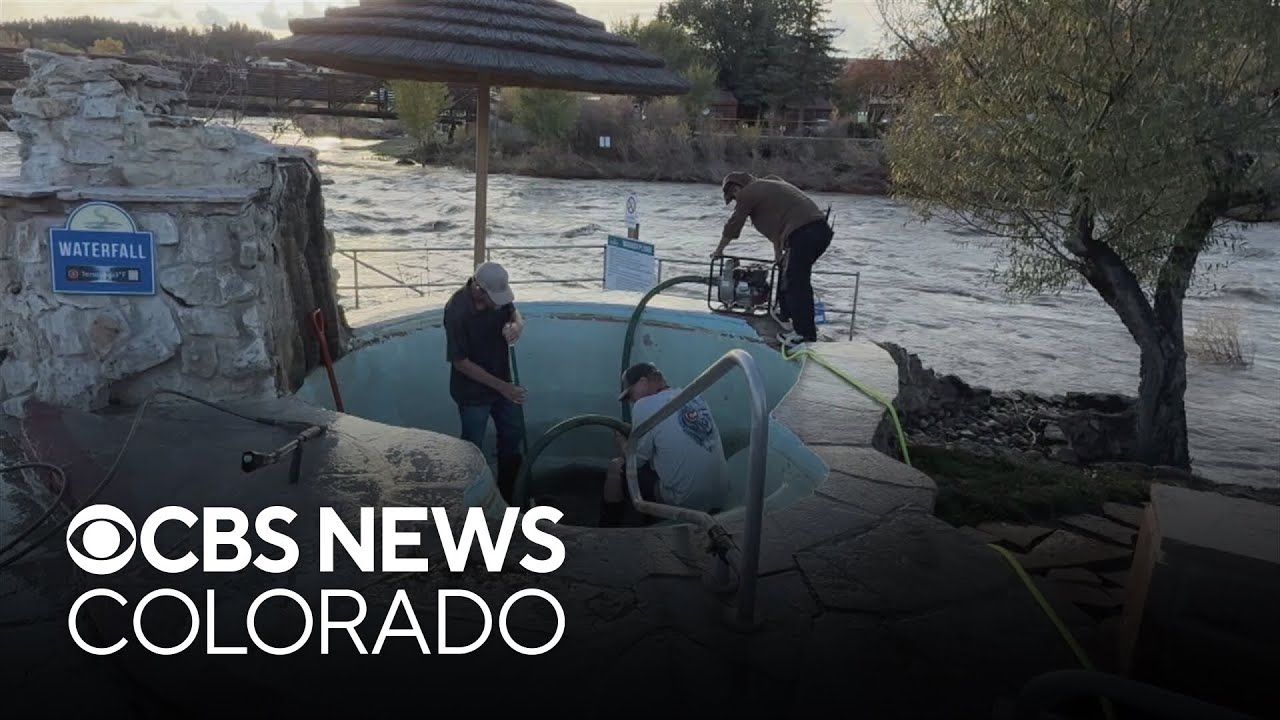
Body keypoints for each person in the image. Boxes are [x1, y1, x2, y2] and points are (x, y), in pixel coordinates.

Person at [711, 171, 834, 349]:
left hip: (805, 233)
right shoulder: (771, 185)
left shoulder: (749, 192)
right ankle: (787, 317)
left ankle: (804, 334)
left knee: (796, 282)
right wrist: (778, 256)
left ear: (737, 188)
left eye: (734, 197)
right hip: (819, 231)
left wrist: (719, 251)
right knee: (791, 276)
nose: (737, 201)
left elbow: (734, 224)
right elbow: (778, 230)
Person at [602, 362, 728, 527]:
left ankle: (608, 530)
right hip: (721, 495)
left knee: (616, 467)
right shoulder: (694, 396)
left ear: (643, 382)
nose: (631, 401)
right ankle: (651, 519)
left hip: (686, 500)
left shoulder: (644, 405)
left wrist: (622, 442)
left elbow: (636, 461)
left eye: (630, 394)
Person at [443, 262, 526, 502]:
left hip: (503, 384)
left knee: (513, 436)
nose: (498, 304)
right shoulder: (456, 310)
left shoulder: (497, 297)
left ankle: (511, 496)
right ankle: (473, 501)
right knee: (472, 449)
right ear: (478, 289)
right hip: (472, 394)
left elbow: (513, 311)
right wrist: (504, 388)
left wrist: (517, 326)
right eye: (494, 298)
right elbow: (460, 362)